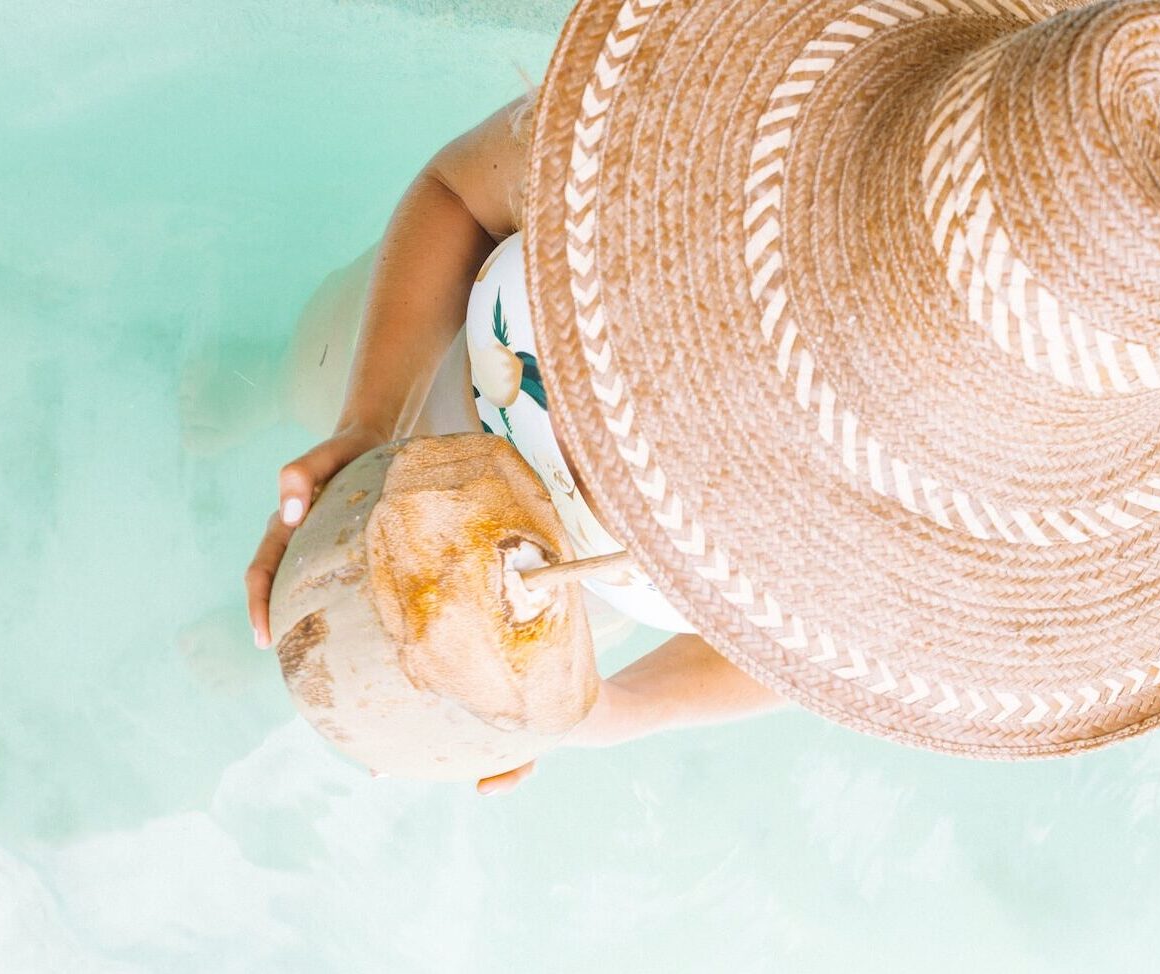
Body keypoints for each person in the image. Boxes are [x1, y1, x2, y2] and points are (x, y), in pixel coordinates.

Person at [243, 87, 792, 796]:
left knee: (352, 646)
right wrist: (368, 420)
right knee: (304, 370)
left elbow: (811, 659)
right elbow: (458, 194)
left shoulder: (898, 532)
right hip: (426, 364)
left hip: (575, 604)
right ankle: (268, 386)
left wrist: (611, 706)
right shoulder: (673, 154)